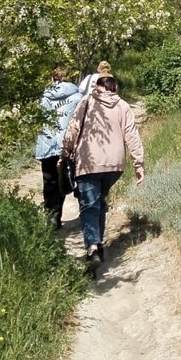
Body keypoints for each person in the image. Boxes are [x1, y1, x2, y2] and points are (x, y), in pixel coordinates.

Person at [60, 61, 145, 272]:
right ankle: (98, 244)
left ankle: (93, 247)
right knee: (97, 201)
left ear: (97, 86)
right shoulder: (123, 106)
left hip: (89, 162)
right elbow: (131, 135)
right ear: (114, 86)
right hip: (114, 166)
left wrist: (65, 152)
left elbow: (72, 129)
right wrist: (138, 163)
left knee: (89, 204)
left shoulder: (86, 103)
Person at [34, 67, 82, 229]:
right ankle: (83, 211)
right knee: (65, 178)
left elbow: (37, 118)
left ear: (52, 78)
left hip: (47, 144)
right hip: (68, 144)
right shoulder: (77, 96)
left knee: (49, 181)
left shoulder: (44, 97)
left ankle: (52, 218)